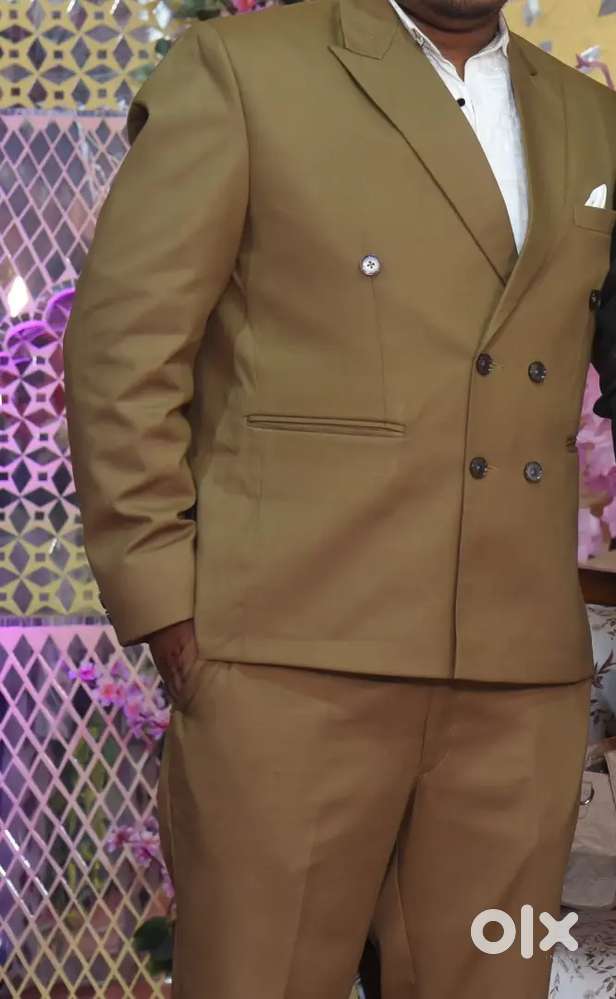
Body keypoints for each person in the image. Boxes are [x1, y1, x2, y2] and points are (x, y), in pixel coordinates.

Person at [62, 0, 616, 994]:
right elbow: (122, 353)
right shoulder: (244, 71)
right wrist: (167, 609)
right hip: (288, 660)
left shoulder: (589, 115)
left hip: (519, 681)